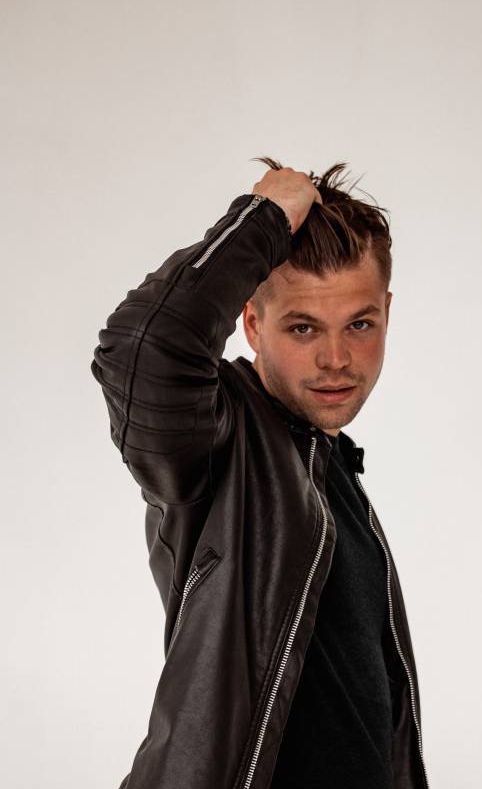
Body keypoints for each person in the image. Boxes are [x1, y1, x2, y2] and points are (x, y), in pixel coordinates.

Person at [91, 158, 430, 789]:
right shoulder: (217, 442)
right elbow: (142, 348)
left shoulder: (332, 469)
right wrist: (263, 219)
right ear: (251, 323)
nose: (336, 358)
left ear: (387, 312)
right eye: (303, 328)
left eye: (360, 324)